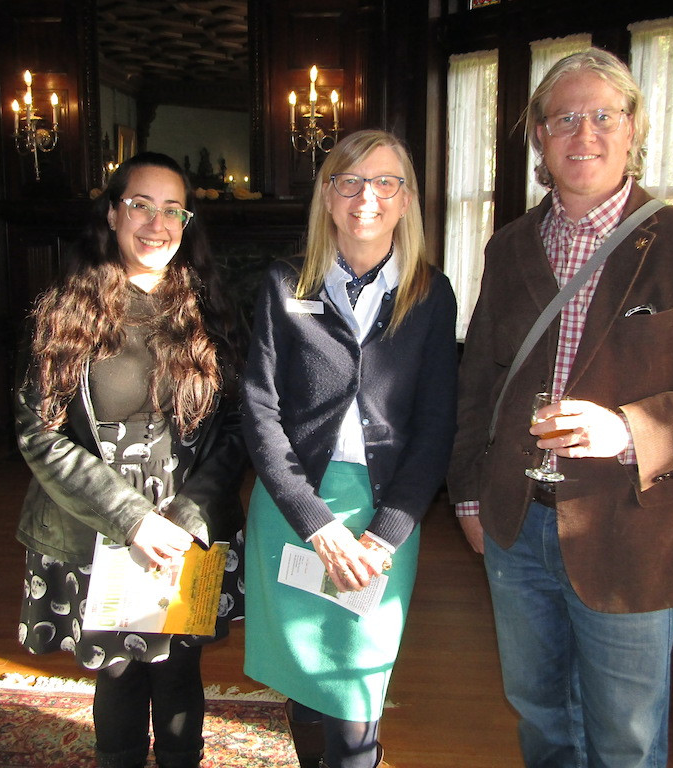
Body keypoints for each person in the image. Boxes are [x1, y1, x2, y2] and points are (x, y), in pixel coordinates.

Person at [447, 48, 673, 768]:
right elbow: (477, 384)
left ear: (635, 129)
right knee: (539, 715)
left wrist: (629, 429)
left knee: (625, 738)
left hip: (631, 531)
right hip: (514, 525)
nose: (584, 133)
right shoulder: (509, 248)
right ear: (539, 136)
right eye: (565, 117)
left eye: (603, 114)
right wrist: (470, 498)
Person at [14, 151, 247, 768]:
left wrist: (189, 514)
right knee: (118, 671)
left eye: (173, 209)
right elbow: (38, 434)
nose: (156, 221)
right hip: (99, 520)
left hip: (188, 520)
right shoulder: (63, 312)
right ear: (113, 213)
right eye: (140, 204)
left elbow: (239, 426)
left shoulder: (212, 310)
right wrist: (132, 519)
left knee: (179, 668)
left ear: (187, 222)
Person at [242, 129, 458, 768]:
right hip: (296, 511)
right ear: (328, 197)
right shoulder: (285, 285)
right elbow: (259, 410)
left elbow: (436, 425)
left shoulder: (430, 293)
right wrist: (316, 524)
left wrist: (384, 534)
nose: (368, 196)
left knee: (356, 685)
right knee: (308, 679)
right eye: (350, 181)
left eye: (386, 181)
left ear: (407, 200)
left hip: (383, 514)